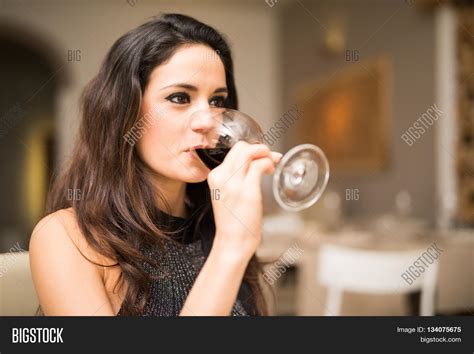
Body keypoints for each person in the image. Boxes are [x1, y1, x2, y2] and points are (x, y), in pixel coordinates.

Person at [29, 13, 281, 316]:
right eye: (179, 97)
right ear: (125, 112)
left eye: (216, 101)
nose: (207, 121)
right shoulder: (67, 238)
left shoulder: (217, 222)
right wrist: (230, 249)